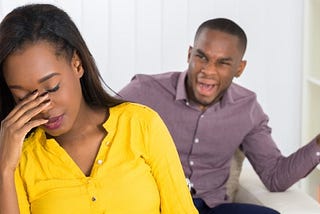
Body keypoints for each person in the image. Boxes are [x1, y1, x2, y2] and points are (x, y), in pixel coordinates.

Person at [0, 4, 198, 214]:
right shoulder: (20, 158)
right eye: (24, 98)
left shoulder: (141, 124)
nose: (44, 108)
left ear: (77, 65)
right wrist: (4, 169)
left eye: (52, 88)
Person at [119, 18, 320, 214]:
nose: (208, 71)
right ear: (189, 54)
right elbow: (95, 127)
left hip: (210, 207)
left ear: (239, 68)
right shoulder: (144, 90)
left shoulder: (247, 108)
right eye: (202, 57)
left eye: (223, 63)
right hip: (156, 206)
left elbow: (275, 176)